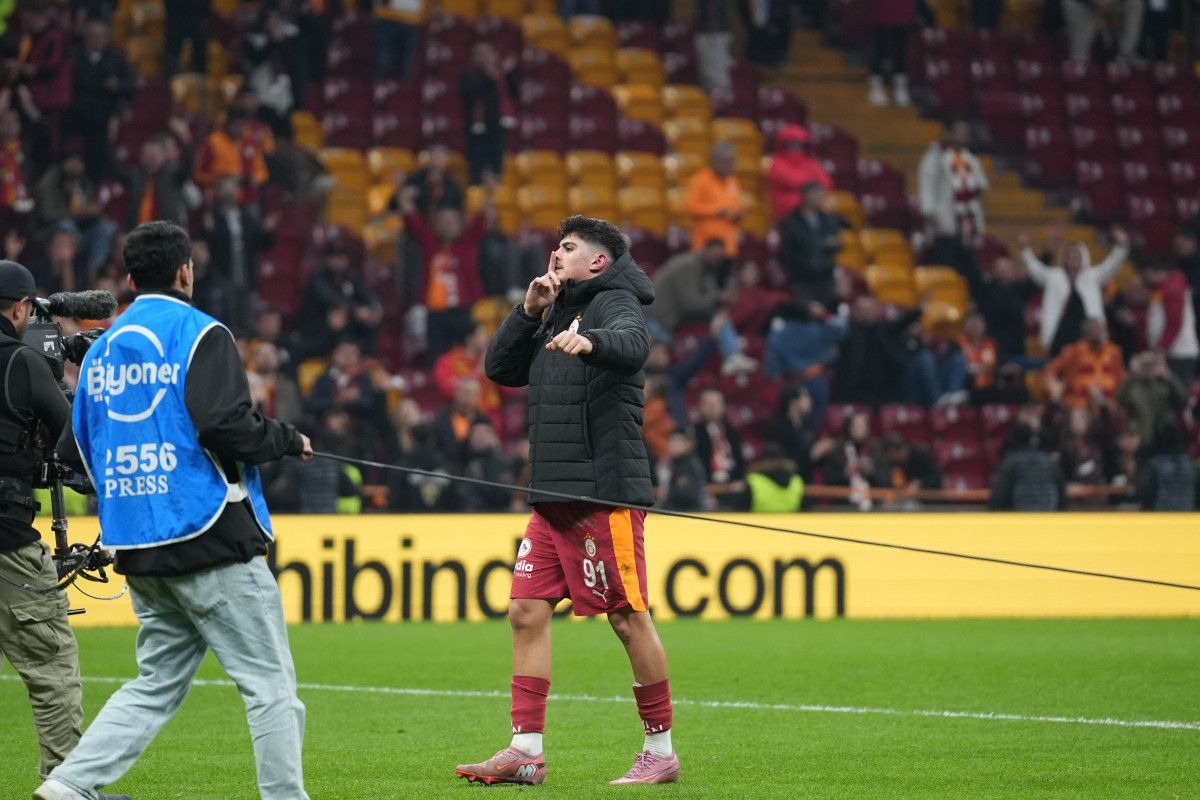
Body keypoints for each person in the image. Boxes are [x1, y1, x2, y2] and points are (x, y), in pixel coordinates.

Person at [38, 221, 315, 800]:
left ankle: (68, 785)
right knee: (270, 687)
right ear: (186, 271)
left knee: (155, 683)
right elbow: (225, 425)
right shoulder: (200, 332)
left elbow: (72, 450)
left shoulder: (101, 349)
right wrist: (286, 439)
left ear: (130, 279)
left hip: (137, 543)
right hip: (206, 532)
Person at [458, 216, 680, 786]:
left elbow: (634, 345)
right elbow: (499, 369)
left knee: (627, 618)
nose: (556, 254)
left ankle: (660, 751)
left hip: (601, 493)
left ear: (598, 262)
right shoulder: (555, 308)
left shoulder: (615, 301)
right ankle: (525, 750)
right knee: (525, 611)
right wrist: (528, 311)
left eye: (569, 247)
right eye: (556, 246)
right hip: (554, 494)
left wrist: (592, 341)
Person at [0, 261, 113, 796]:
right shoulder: (22, 361)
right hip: (7, 542)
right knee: (51, 667)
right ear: (22, 307)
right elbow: (72, 436)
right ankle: (68, 784)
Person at [1020, 229, 1129, 355]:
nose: (1074, 258)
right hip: (1060, 332)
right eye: (1071, 255)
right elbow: (1035, 269)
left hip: (1088, 331)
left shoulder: (1091, 276)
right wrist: (1025, 249)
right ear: (1065, 258)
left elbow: (1110, 266)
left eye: (1077, 255)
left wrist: (1121, 246)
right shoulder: (1054, 276)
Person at [918, 120, 988, 273]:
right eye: (959, 133)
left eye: (966, 134)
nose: (964, 137)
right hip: (945, 225)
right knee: (947, 268)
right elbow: (927, 189)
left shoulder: (970, 159)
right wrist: (931, 216)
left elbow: (981, 185)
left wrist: (971, 190)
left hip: (967, 223)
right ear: (947, 134)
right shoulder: (934, 159)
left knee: (970, 271)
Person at [778, 181, 844, 308]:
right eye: (817, 194)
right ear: (806, 196)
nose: (821, 197)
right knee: (807, 312)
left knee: (828, 313)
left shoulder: (828, 219)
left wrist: (836, 243)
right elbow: (786, 253)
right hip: (803, 280)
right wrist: (793, 280)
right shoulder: (791, 221)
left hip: (826, 279)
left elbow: (839, 237)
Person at [458, 42, 518, 183]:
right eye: (480, 54)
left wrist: (506, 74)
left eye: (488, 53)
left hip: (497, 133)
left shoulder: (502, 77)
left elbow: (515, 93)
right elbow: (470, 93)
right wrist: (491, 75)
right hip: (477, 134)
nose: (485, 57)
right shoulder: (467, 76)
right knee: (479, 176)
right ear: (473, 57)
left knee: (496, 175)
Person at [1043, 318, 1127, 408]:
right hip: (1078, 404)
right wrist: (1054, 388)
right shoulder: (1073, 352)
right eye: (1092, 330)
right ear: (1084, 333)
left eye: (1097, 329)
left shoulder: (1113, 352)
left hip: (1109, 405)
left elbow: (1122, 379)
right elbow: (1049, 371)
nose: (1095, 333)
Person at [1140, 261, 1198, 383]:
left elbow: (1174, 322)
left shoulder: (1172, 287)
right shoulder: (1162, 289)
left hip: (1179, 354)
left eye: (1146, 277)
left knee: (1178, 392)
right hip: (1171, 353)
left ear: (1153, 272)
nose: (1146, 282)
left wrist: (1162, 348)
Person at [683, 141, 742, 256]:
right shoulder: (700, 180)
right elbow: (689, 207)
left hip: (728, 247)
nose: (730, 165)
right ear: (714, 160)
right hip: (705, 247)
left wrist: (738, 214)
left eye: (732, 161)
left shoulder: (733, 182)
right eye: (726, 161)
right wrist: (717, 210)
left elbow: (737, 207)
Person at [988, 422, 1066, 510]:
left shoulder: (1010, 464)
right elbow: (1062, 499)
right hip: (1048, 515)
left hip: (1020, 516)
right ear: (1032, 439)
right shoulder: (1050, 463)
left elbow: (998, 499)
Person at [767, 125, 832, 221]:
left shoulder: (809, 161)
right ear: (784, 144)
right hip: (786, 208)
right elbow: (790, 180)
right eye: (791, 144)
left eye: (799, 144)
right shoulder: (777, 162)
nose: (795, 148)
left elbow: (825, 182)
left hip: (812, 202)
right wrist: (810, 183)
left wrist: (810, 186)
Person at [1136, 420, 1199, 511]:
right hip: (1188, 516)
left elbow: (1144, 494)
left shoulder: (1154, 466)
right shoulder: (1192, 466)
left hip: (1161, 517)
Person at [867, 0, 915, 106]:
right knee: (880, 49)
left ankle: (900, 87)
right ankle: (876, 87)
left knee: (901, 50)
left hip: (903, 10)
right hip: (882, 11)